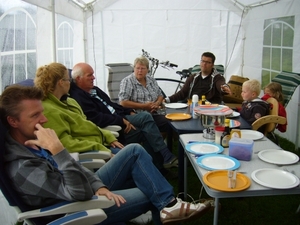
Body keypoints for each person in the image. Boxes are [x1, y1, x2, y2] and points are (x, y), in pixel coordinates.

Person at [0, 85, 212, 225]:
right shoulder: (22, 167)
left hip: (83, 187)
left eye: (42, 112)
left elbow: (75, 167)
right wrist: (58, 150)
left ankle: (169, 206)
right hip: (73, 209)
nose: (44, 120)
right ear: (13, 121)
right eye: (35, 115)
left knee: (134, 150)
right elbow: (78, 193)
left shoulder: (32, 140)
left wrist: (99, 185)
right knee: (150, 192)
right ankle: (167, 206)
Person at [69, 62, 177, 170]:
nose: (94, 77)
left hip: (123, 117)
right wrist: (121, 120)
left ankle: (159, 165)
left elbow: (112, 105)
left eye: (143, 68)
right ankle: (163, 159)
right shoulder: (78, 97)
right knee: (146, 122)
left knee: (150, 127)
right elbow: (96, 118)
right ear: (78, 78)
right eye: (90, 75)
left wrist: (128, 111)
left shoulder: (95, 90)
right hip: (114, 129)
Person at [34, 62, 123, 155]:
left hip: (100, 144)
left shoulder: (70, 102)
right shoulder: (49, 110)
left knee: (133, 152)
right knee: (134, 151)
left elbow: (87, 125)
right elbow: (65, 144)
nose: (70, 83)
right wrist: (100, 148)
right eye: (69, 80)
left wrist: (108, 136)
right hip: (92, 153)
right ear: (61, 82)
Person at [118, 56, 171, 135]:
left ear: (147, 70)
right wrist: (144, 106)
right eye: (137, 68)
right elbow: (123, 102)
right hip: (137, 115)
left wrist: (156, 104)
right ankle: (157, 145)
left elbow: (160, 95)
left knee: (170, 121)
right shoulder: (127, 81)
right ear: (134, 68)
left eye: (143, 68)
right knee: (163, 122)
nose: (140, 71)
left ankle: (157, 144)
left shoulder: (151, 80)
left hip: (154, 112)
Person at [164, 52, 231, 104]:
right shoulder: (193, 77)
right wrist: (167, 100)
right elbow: (182, 93)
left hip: (211, 109)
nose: (204, 64)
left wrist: (224, 88)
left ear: (212, 65)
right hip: (193, 107)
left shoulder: (217, 77)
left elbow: (221, 84)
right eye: (203, 61)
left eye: (208, 62)